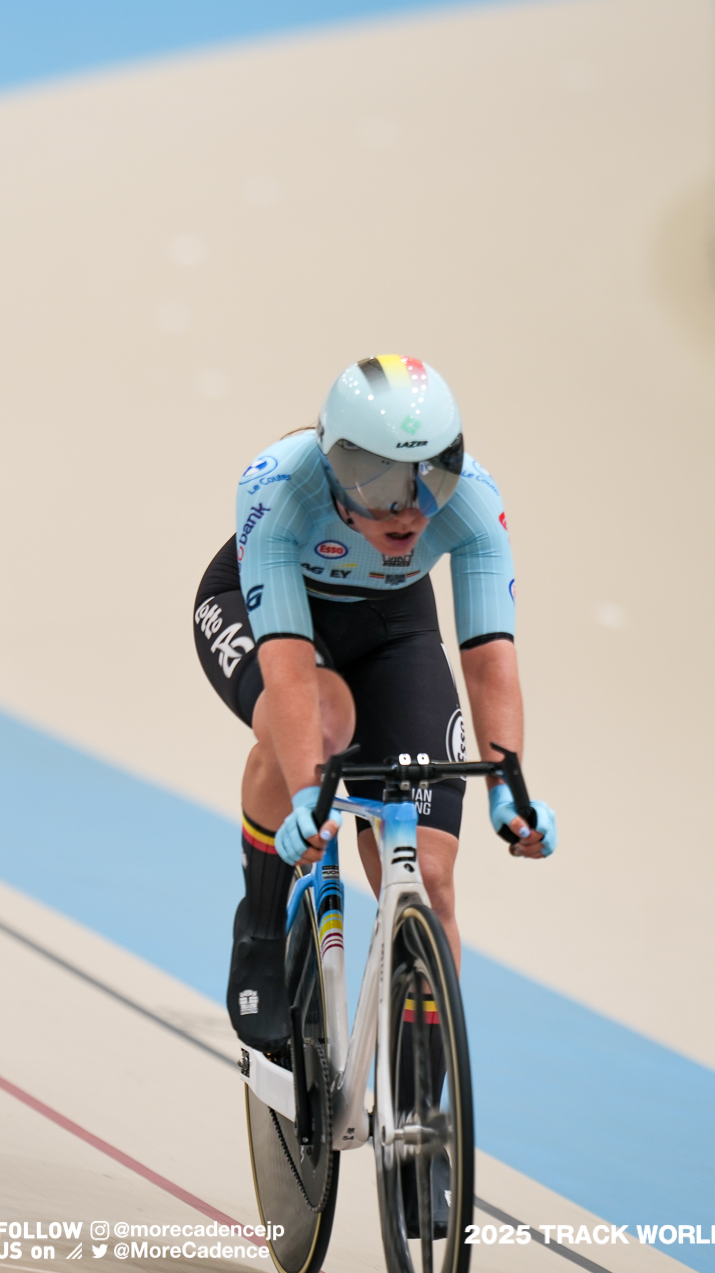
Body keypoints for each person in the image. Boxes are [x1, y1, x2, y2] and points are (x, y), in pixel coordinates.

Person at [192, 354, 557, 1055]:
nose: (412, 506)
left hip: (393, 627)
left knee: (432, 876)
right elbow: (292, 669)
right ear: (334, 467)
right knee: (318, 723)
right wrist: (307, 793)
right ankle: (263, 924)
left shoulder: (473, 501)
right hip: (263, 611)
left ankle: (422, 1099)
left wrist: (509, 790)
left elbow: (488, 659)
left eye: (432, 475)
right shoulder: (277, 487)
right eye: (383, 481)